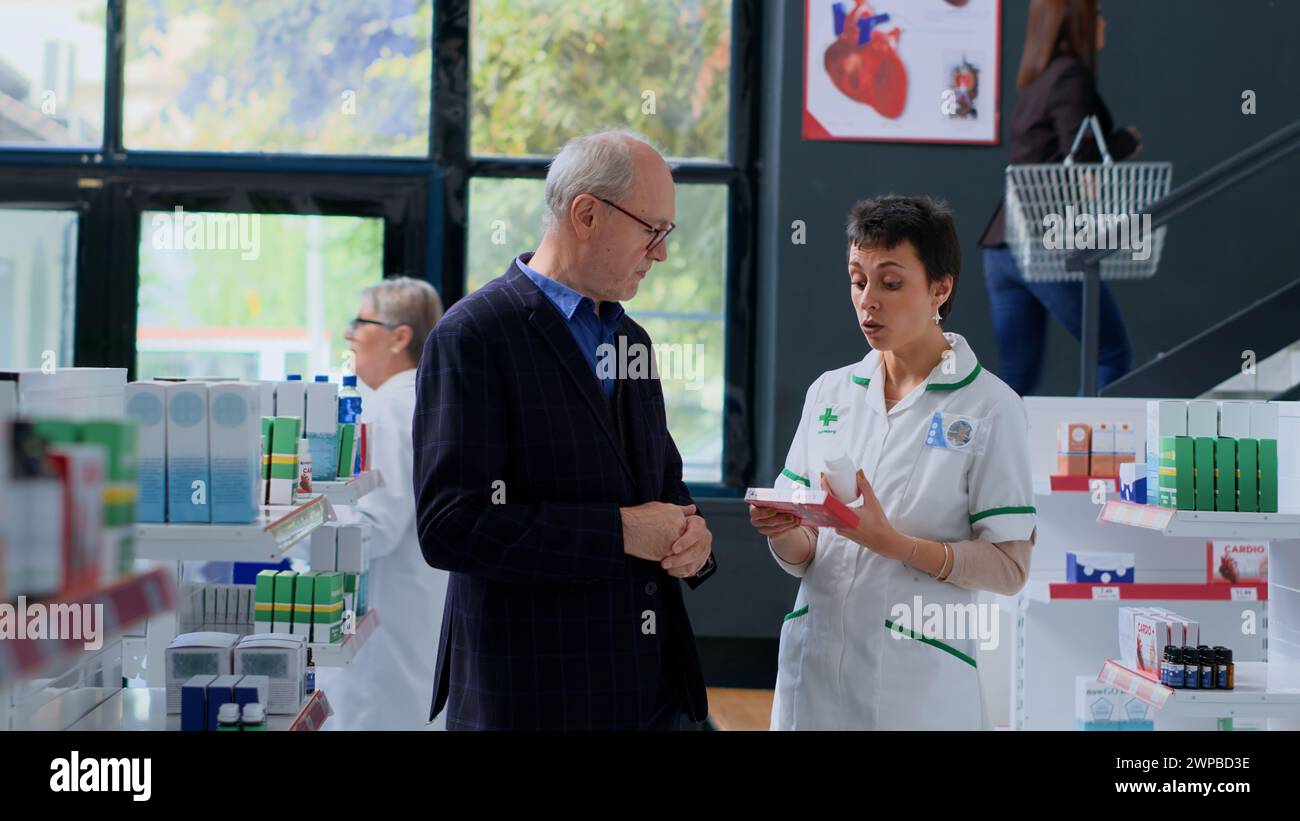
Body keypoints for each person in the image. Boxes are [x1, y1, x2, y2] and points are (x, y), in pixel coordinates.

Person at [412, 129, 717, 731]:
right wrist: (619, 532)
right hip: (529, 699)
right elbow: (449, 526)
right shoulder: (473, 335)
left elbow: (663, 484)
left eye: (666, 234)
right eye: (651, 230)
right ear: (585, 214)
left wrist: (693, 539)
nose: (660, 253)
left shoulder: (631, 340)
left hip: (647, 693)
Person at [750, 196, 1036, 730]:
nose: (867, 301)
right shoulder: (830, 393)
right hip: (813, 674)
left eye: (890, 282)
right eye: (858, 280)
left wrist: (895, 545)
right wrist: (782, 529)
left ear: (940, 289)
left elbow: (1011, 568)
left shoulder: (991, 408)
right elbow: (805, 552)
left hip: (916, 688)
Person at [979, 0, 1141, 394]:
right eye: (1096, 13)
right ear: (1076, 22)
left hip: (1002, 247)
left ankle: (988, 459)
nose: (1102, 21)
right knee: (1111, 354)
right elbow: (1081, 163)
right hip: (1044, 243)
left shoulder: (1036, 80)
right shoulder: (1070, 77)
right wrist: (1125, 142)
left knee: (1016, 377)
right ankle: (1087, 455)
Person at [315, 276, 448, 730]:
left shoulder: (389, 411)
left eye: (360, 321)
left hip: (384, 638)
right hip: (412, 621)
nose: (349, 333)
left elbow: (375, 529)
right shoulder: (421, 402)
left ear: (400, 337)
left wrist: (294, 525)